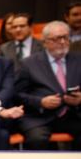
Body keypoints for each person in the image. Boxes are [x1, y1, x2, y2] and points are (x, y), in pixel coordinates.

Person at [15, 21, 81, 150]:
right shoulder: (28, 64)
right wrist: (40, 102)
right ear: (44, 42)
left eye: (65, 37)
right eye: (57, 39)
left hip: (72, 114)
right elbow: (17, 94)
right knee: (37, 139)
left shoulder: (78, 60)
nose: (62, 42)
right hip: (39, 117)